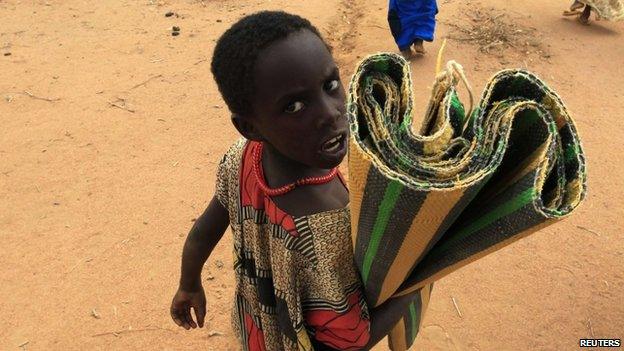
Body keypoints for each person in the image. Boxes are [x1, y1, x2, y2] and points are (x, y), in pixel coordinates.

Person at [169, 11, 415, 351]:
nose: (330, 113)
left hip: (256, 328)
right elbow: (351, 341)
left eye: (330, 85)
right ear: (250, 126)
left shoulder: (242, 158)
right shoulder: (328, 222)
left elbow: (203, 230)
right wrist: (414, 285)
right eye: (295, 106)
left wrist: (189, 283)